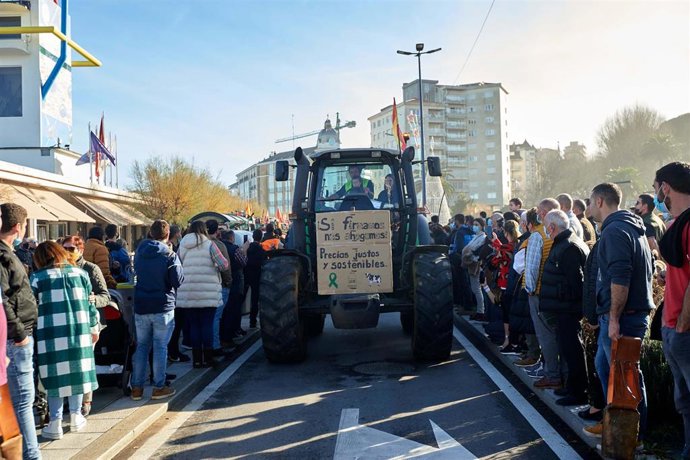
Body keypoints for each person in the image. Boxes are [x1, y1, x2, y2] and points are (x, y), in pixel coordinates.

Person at [585, 182, 654, 439]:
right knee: (605, 366)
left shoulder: (615, 231)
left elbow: (620, 277)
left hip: (623, 316)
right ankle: (613, 421)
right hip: (625, 314)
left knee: (627, 377)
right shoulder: (629, 225)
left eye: (590, 202)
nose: (589, 207)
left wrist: (613, 318)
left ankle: (633, 435)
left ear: (600, 201)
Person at [30, 241, 99, 441]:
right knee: (76, 373)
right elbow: (90, 305)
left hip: (50, 333)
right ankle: (76, 416)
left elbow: (30, 306)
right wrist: (94, 327)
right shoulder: (80, 274)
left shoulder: (38, 278)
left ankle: (55, 422)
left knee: (54, 376)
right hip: (80, 332)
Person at [654, 162, 690, 458]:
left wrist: (681, 326)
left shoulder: (689, 224)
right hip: (673, 325)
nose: (656, 195)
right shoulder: (677, 223)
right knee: (684, 400)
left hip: (683, 328)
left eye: (657, 189)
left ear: (666, 187)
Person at [0, 203, 40, 459]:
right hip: (15, 340)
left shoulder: (8, 253)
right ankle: (31, 455)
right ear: (18, 227)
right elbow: (2, 299)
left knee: (19, 402)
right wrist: (20, 334)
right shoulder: (3, 256)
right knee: (23, 402)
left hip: (16, 337)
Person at [539, 210, 589, 405]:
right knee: (567, 350)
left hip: (568, 308)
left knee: (573, 350)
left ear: (552, 227)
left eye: (546, 226)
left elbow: (576, 280)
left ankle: (578, 392)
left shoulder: (568, 246)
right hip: (564, 307)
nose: (546, 230)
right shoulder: (564, 242)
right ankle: (571, 387)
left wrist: (568, 300)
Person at [130, 220, 183, 401]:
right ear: (167, 235)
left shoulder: (139, 252)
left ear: (151, 234)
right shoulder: (169, 255)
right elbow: (177, 280)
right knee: (160, 347)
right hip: (162, 306)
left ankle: (136, 387)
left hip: (141, 305)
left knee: (142, 346)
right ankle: (159, 387)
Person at [61, 235, 110, 416]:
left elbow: (105, 295)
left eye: (71, 249)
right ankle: (70, 399)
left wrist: (93, 299)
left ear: (80, 250)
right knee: (68, 361)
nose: (67, 252)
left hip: (90, 322)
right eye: (64, 248)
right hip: (68, 322)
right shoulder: (60, 270)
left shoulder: (90, 268)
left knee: (84, 361)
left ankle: (85, 401)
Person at [176, 221, 228, 368]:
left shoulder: (183, 246)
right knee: (207, 325)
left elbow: (177, 264)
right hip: (208, 292)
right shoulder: (210, 245)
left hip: (188, 291)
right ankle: (208, 358)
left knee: (194, 326)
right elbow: (224, 265)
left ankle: (197, 360)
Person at [524, 198, 561, 389]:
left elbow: (531, 267)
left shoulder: (538, 235)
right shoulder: (564, 231)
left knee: (545, 335)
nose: (537, 214)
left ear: (545, 213)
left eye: (539, 211)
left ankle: (552, 374)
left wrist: (530, 290)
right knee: (558, 335)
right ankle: (557, 372)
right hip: (557, 291)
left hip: (539, 292)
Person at [206, 220, 232, 355]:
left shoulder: (194, 245)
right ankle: (215, 346)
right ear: (217, 231)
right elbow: (225, 267)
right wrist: (228, 282)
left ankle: (203, 347)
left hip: (197, 288)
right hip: (218, 285)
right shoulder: (218, 245)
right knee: (216, 317)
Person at [220, 231, 248, 344]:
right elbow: (244, 262)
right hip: (235, 280)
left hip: (222, 282)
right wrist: (244, 251)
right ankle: (232, 332)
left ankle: (224, 334)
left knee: (225, 310)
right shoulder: (235, 249)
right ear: (232, 238)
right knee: (234, 308)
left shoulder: (219, 247)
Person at [462, 218, 488, 322]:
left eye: (477, 224)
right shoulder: (476, 236)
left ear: (482, 226)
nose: (474, 226)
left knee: (477, 289)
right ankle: (479, 310)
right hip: (471, 264)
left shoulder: (483, 237)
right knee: (475, 288)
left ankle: (481, 311)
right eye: (474, 224)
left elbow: (475, 250)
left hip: (476, 265)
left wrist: (470, 254)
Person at [244, 229, 265, 329]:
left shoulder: (248, 248)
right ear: (261, 237)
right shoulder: (261, 250)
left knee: (242, 297)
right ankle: (253, 321)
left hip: (246, 274)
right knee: (255, 299)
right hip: (257, 276)